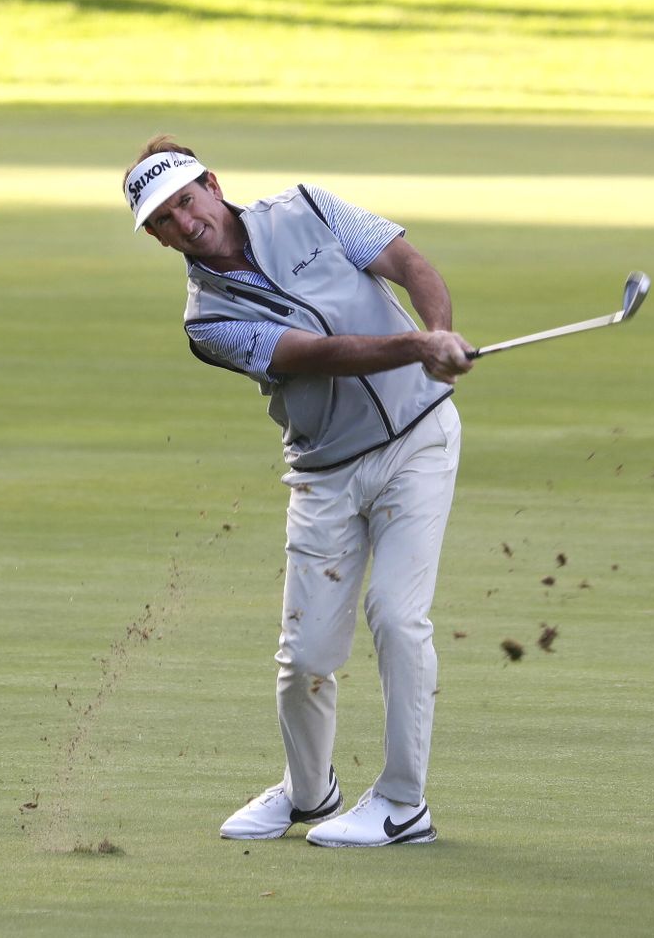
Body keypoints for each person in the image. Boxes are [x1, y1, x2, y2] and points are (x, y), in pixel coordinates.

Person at [123, 136, 474, 848]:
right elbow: (311, 356)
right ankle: (310, 792)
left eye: (186, 201)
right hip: (324, 472)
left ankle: (404, 803)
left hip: (419, 436)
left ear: (213, 185)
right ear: (157, 238)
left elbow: (405, 261)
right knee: (306, 656)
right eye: (163, 219)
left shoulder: (308, 207)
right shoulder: (206, 320)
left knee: (397, 616)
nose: (183, 222)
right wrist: (416, 347)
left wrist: (438, 331)